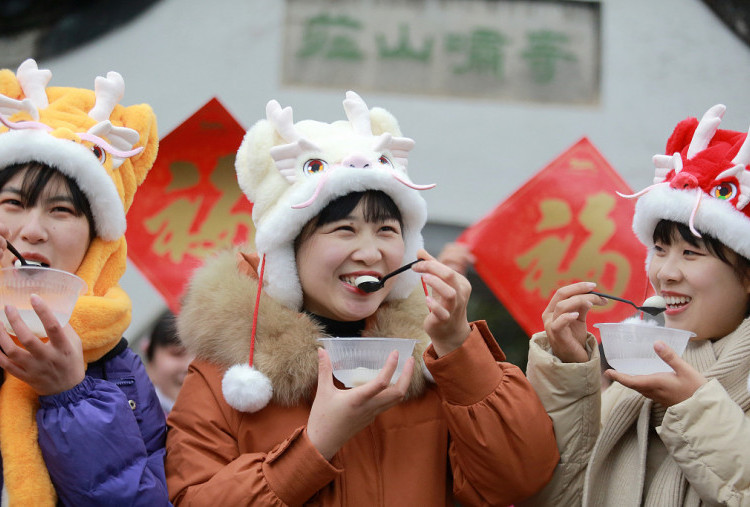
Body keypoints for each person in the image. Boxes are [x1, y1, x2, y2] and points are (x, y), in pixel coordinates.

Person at [165, 91, 559, 505]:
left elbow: (522, 476)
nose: (370, 253)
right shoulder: (226, 374)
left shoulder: (434, 361)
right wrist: (315, 445)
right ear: (288, 251)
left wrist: (460, 347)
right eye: (345, 230)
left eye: (387, 231)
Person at [521, 103, 750, 506]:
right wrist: (572, 375)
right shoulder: (645, 360)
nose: (665, 273)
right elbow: (559, 494)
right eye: (660, 250)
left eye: (691, 254)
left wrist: (692, 405)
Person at [0, 59, 169, 505]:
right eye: (13, 202)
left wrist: (71, 395)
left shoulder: (120, 371)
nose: (33, 230)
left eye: (62, 210)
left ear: (97, 242)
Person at [143, 309, 194, 414]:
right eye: (177, 353)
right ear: (150, 364)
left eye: (202, 355)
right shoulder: (140, 423)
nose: (190, 364)